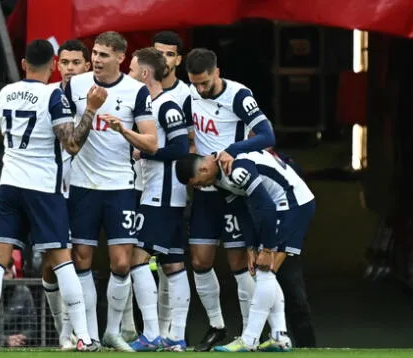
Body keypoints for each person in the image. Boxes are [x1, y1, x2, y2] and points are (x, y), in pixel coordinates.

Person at [0, 39, 100, 352]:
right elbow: (71, 144)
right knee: (61, 260)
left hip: (10, 186)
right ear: (55, 65)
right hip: (43, 189)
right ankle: (83, 337)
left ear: (23, 64)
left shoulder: (4, 93)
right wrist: (91, 112)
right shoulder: (53, 96)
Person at [62, 31, 157, 352]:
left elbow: (152, 142)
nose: (97, 60)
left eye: (104, 54)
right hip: (81, 186)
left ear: (121, 58)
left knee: (120, 263)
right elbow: (65, 134)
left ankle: (113, 331)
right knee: (81, 259)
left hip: (120, 187)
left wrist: (122, 129)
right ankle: (87, 334)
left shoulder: (136, 91)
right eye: (95, 53)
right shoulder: (75, 86)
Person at [175, 150, 316, 352]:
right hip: (279, 206)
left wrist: (266, 248)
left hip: (292, 204)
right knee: (265, 273)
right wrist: (250, 245)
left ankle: (249, 339)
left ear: (204, 169)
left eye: (197, 183)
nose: (199, 187)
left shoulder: (235, 170)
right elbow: (242, 209)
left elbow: (266, 205)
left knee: (265, 270)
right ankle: (279, 336)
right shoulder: (217, 180)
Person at [184, 48, 276, 351]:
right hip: (205, 186)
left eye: (205, 83)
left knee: (239, 263)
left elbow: (267, 135)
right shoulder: (187, 94)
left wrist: (233, 150)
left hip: (232, 188)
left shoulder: (238, 95)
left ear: (217, 72)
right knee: (199, 260)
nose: (200, 89)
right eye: (195, 83)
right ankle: (216, 325)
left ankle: (251, 332)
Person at [121, 30, 194, 345]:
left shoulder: (165, 105)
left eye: (132, 69)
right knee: (173, 263)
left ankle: (151, 333)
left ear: (145, 73)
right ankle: (176, 337)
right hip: (158, 192)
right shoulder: (150, 103)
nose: (128, 74)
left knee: (137, 258)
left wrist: (146, 150)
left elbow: (180, 148)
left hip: (162, 195)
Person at [42, 38, 91, 350]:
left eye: (76, 63)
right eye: (65, 62)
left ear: (87, 65)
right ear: (57, 64)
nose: (70, 68)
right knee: (53, 259)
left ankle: (96, 330)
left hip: (90, 187)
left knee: (83, 258)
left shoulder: (98, 95)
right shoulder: (46, 96)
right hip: (53, 187)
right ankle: (63, 330)